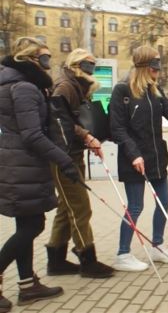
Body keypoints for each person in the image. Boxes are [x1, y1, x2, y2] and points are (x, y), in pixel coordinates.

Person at [0, 37, 74, 307]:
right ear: (30, 59)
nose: (48, 63)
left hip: (16, 163)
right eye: (44, 58)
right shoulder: (25, 88)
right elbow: (32, 135)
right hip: (24, 165)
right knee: (33, 225)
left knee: (26, 224)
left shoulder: (11, 83)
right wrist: (64, 160)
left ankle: (28, 286)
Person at [109, 45, 168, 272]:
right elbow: (117, 128)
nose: (159, 70)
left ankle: (157, 246)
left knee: (164, 202)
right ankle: (123, 254)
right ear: (144, 66)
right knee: (135, 206)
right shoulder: (122, 91)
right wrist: (134, 154)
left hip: (156, 158)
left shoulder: (155, 91)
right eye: (155, 64)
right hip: (133, 159)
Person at [45, 48, 114, 279]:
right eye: (87, 63)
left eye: (93, 64)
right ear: (75, 63)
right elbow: (60, 122)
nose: (91, 68)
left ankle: (55, 261)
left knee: (67, 209)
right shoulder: (65, 87)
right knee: (81, 208)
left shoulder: (79, 86)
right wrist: (86, 135)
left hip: (72, 153)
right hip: (62, 156)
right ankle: (88, 259)